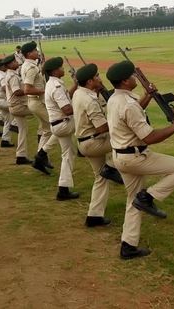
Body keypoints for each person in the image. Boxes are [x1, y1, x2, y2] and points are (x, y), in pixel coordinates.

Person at [106, 60, 174, 259]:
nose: (135, 77)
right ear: (125, 80)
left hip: (121, 156)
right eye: (132, 76)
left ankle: (128, 246)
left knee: (133, 201)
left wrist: (147, 96)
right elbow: (149, 137)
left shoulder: (116, 98)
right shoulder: (128, 105)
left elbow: (133, 112)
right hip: (136, 157)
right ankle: (149, 196)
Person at [72, 63, 123, 227]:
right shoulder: (90, 99)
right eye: (97, 76)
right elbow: (102, 127)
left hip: (85, 141)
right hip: (94, 142)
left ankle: (94, 216)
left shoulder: (79, 93)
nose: (100, 79)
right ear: (89, 81)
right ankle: (110, 166)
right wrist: (120, 121)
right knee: (133, 140)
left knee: (100, 178)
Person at [43, 57, 80, 200]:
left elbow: (66, 98)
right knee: (94, 126)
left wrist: (76, 85)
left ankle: (63, 189)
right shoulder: (56, 87)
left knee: (68, 155)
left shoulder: (52, 83)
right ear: (55, 71)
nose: (63, 69)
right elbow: (67, 109)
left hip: (59, 124)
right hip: (64, 123)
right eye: (61, 67)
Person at [21, 41, 58, 175]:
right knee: (57, 127)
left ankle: (40, 158)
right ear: (30, 53)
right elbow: (27, 89)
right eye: (35, 51)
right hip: (37, 102)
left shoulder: (29, 65)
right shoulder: (30, 68)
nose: (37, 52)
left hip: (35, 102)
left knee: (46, 130)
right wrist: (45, 91)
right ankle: (41, 156)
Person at [3, 54, 33, 164]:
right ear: (11, 64)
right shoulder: (13, 76)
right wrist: (29, 90)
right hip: (18, 106)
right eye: (15, 61)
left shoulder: (11, 74)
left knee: (23, 130)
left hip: (15, 106)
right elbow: (17, 92)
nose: (17, 62)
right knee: (39, 110)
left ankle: (21, 155)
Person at [0, 58, 14, 147]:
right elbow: (4, 88)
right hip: (2, 99)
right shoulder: (2, 75)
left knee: (8, 119)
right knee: (16, 109)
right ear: (1, 67)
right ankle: (14, 126)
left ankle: (5, 140)